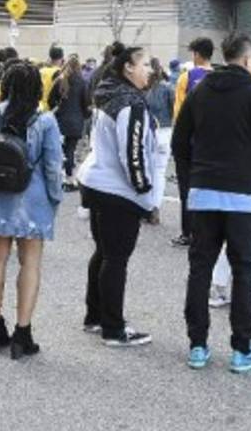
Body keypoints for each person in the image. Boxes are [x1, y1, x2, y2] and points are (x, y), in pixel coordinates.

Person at [172, 33, 251, 372]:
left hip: (204, 192)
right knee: (244, 271)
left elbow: (179, 141)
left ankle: (198, 345)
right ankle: (241, 347)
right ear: (248, 60)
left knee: (200, 268)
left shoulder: (200, 91)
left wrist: (193, 177)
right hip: (245, 195)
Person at [0, 61, 64, 359]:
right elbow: (53, 167)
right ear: (37, 89)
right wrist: (54, 199)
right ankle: (23, 332)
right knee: (30, 263)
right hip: (32, 199)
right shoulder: (44, 121)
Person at [75, 46, 164, 347]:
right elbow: (134, 152)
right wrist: (144, 191)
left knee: (103, 253)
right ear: (128, 67)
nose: (150, 70)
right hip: (118, 189)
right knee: (115, 259)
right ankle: (113, 328)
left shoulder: (108, 93)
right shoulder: (131, 103)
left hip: (97, 181)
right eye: (146, 65)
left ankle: (95, 316)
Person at [171, 36, 214, 248]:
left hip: (190, 142)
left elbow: (179, 114)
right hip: (212, 143)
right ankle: (208, 231)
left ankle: (188, 232)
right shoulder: (219, 77)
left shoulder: (187, 77)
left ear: (196, 54)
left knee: (186, 188)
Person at [48, 54, 90, 191]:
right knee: (70, 149)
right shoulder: (82, 82)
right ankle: (69, 179)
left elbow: (50, 100)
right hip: (76, 122)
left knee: (59, 150)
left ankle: (57, 178)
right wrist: (85, 115)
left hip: (60, 121)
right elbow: (86, 104)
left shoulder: (60, 80)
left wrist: (58, 108)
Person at [145, 58, 175, 220]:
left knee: (147, 170)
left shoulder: (144, 89)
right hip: (165, 131)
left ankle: (147, 205)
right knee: (160, 171)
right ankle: (156, 206)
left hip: (149, 132)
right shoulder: (168, 89)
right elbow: (174, 111)